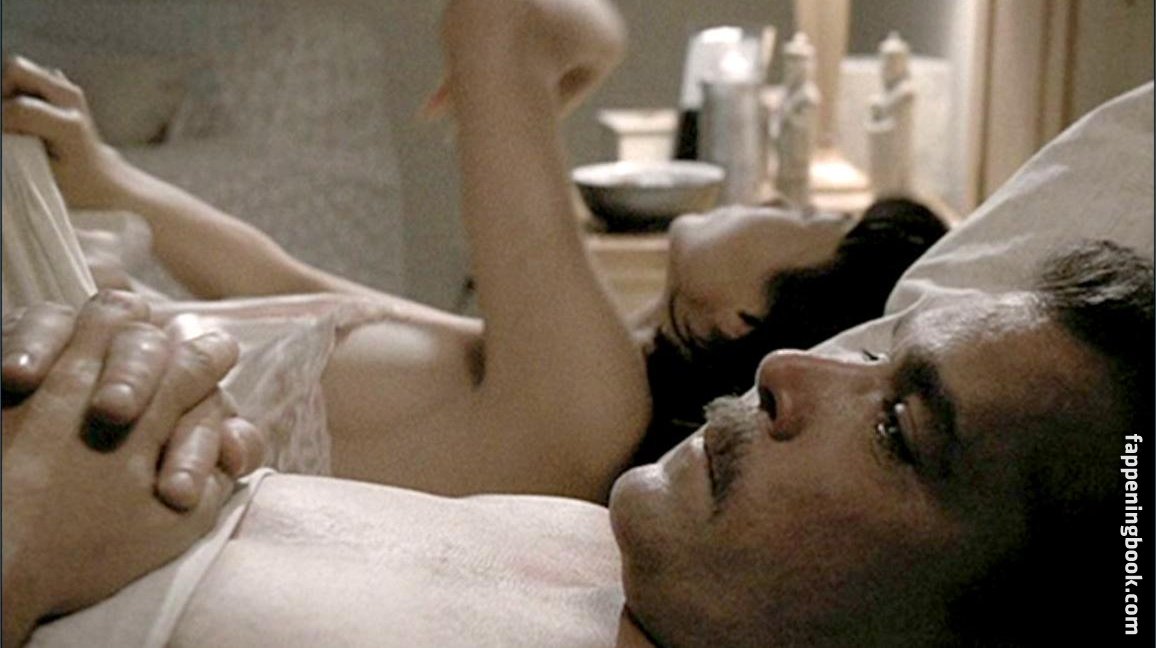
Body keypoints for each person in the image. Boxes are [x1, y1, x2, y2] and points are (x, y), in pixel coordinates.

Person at [5, 235, 1151, 647]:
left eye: (898, 427)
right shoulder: (616, 556)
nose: (790, 370)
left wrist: (22, 538)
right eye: (874, 355)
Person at [1, 37, 944, 500]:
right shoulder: (580, 381)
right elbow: (282, 277)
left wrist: (589, 38)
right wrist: (106, 174)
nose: (778, 199)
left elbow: (500, 30)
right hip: (75, 365)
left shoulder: (590, 410)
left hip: (62, 421)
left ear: (753, 320)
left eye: (813, 220)